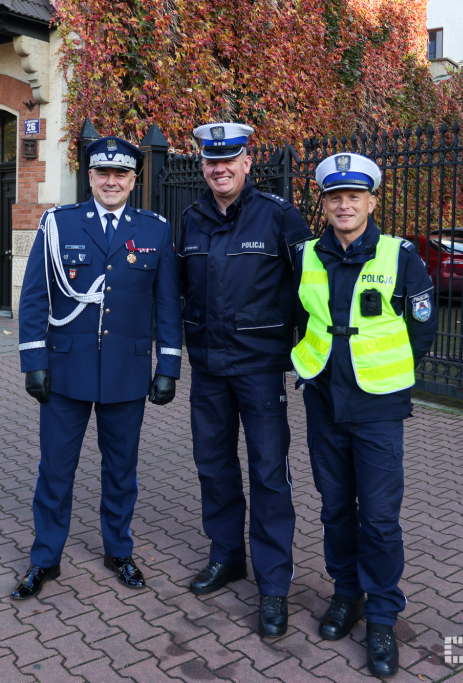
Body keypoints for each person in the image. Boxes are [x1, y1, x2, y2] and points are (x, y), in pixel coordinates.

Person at [12, 136, 183, 599]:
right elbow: (35, 296)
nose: (111, 181)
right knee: (55, 471)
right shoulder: (58, 224)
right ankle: (45, 558)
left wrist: (168, 366)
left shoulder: (154, 230)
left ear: (134, 179)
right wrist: (34, 360)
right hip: (66, 371)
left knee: (122, 471)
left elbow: (167, 304)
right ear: (89, 177)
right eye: (102, 173)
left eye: (121, 174)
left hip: (127, 373)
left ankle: (118, 550)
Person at [292, 152, 437, 677]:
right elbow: (298, 317)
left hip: (378, 407)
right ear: (324, 204)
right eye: (335, 197)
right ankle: (346, 594)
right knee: (335, 509)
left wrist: (380, 373)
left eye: (354, 196)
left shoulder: (402, 256)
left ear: (372, 202)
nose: (344, 205)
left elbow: (422, 329)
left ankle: (381, 616)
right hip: (323, 402)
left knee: (377, 518)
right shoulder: (307, 255)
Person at [177, 122, 312, 638]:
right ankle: (227, 556)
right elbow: (182, 287)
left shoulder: (279, 215)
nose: (220, 169)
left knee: (269, 475)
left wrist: (305, 357)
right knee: (213, 466)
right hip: (208, 368)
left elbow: (309, 291)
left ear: (247, 162)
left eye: (229, 159)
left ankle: (273, 585)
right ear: (203, 166)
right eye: (212, 160)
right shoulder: (191, 219)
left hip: (260, 370)